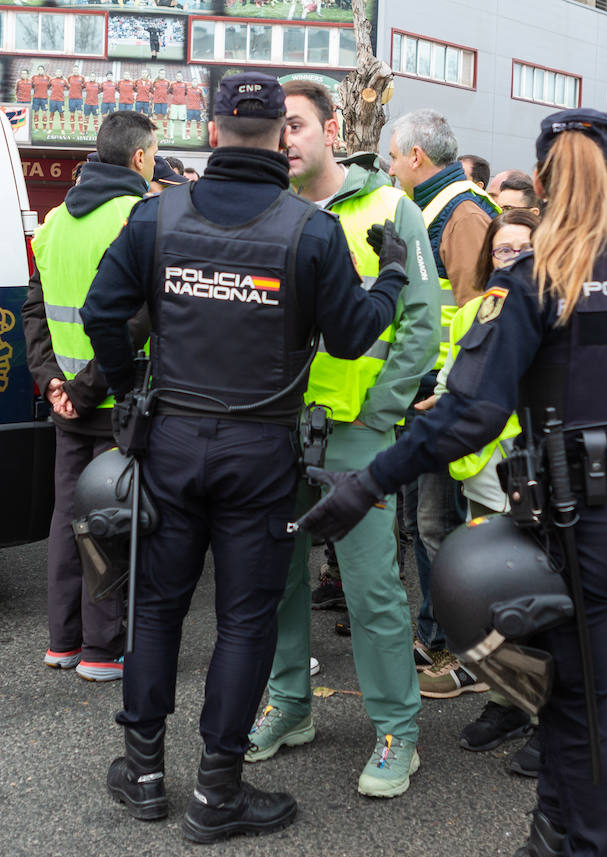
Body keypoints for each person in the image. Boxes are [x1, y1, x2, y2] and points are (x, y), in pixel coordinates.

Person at [298, 107, 607, 857]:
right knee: (600, 696)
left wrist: (367, 484)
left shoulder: (538, 278)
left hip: (583, 526)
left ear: (539, 182)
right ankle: (547, 853)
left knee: (583, 715)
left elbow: (466, 417)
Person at [78, 72, 406, 843]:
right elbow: (357, 335)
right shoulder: (311, 231)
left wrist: (127, 395)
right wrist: (390, 275)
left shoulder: (157, 216)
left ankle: (146, 772)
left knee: (156, 607)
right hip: (261, 449)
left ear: (214, 128)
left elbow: (102, 314)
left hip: (173, 438)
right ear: (282, 139)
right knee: (245, 620)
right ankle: (216, 792)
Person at [246, 79, 438, 799]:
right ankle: (289, 704)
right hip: (274, 427)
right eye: (274, 129)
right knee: (276, 577)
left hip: (357, 433)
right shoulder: (266, 210)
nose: (284, 139)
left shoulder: (392, 208)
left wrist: (381, 412)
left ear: (332, 130)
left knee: (370, 588)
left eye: (295, 125)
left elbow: (422, 322)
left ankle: (397, 729)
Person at [23, 110, 158, 681]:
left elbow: (35, 308)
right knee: (110, 519)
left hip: (66, 405)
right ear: (140, 158)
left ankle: (63, 642)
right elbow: (137, 320)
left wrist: (52, 380)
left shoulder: (55, 221)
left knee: (66, 517)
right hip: (118, 403)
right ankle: (103, 652)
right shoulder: (139, 217)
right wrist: (83, 389)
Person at [386, 109, 499, 681]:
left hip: (443, 394)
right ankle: (435, 631)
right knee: (419, 522)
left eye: (392, 153)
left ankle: (457, 646)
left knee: (437, 523)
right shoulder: (437, 205)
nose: (387, 163)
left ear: (416, 157)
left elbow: (477, 313)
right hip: (422, 388)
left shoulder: (465, 212)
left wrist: (451, 389)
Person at [432, 207, 543, 766]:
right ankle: (509, 700)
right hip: (482, 470)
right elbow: (454, 379)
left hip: (538, 473)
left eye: (524, 250)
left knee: (542, 595)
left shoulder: (557, 310)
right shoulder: (471, 312)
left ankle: (553, 711)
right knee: (496, 596)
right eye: (503, 250)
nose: (512, 260)